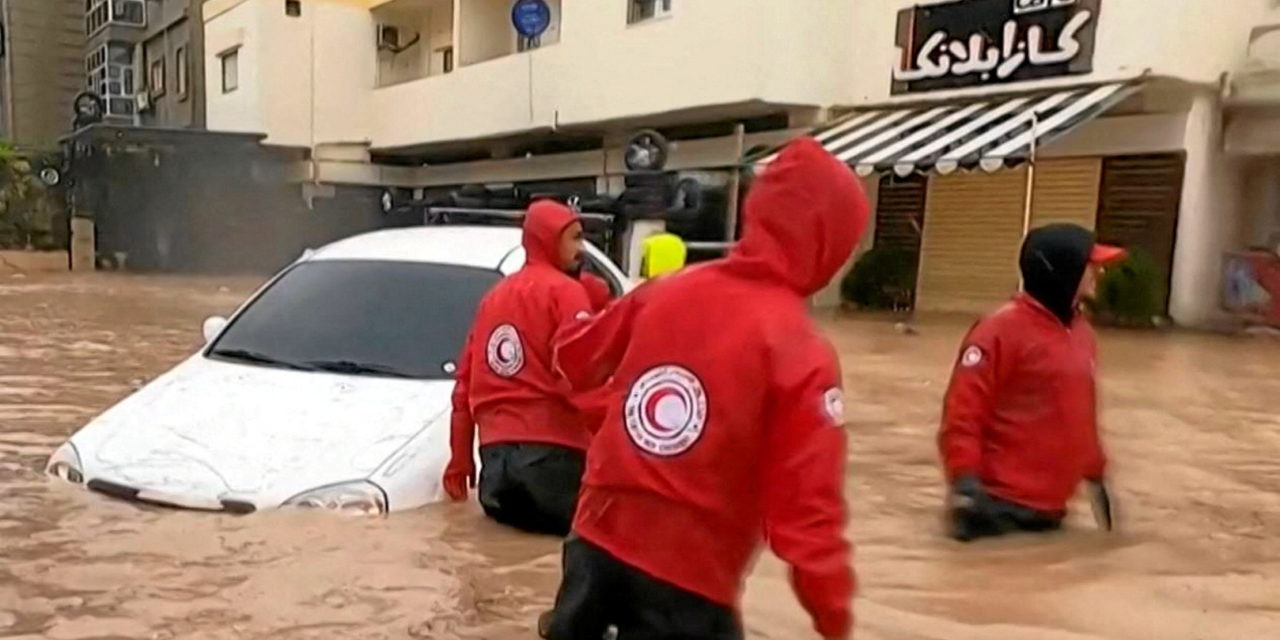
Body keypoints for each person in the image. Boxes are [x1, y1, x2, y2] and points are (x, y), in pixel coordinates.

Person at [540, 138, 868, 640]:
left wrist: (614, 413)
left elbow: (574, 359)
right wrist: (835, 617)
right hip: (688, 580)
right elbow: (807, 514)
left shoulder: (664, 291)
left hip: (593, 545)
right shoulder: (802, 352)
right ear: (830, 242)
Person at [939, 223, 1126, 543]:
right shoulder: (998, 332)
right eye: (1089, 266)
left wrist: (1097, 476)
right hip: (997, 510)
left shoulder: (1082, 334)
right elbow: (963, 413)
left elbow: (1080, 414)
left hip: (1051, 514)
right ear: (1063, 271)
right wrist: (965, 483)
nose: (1098, 274)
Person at [443, 200, 596, 536]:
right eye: (574, 238)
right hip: (556, 459)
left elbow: (465, 385)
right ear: (549, 240)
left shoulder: (491, 299)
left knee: (501, 567)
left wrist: (460, 457)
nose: (580, 249)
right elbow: (579, 374)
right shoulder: (567, 292)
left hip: (495, 465)